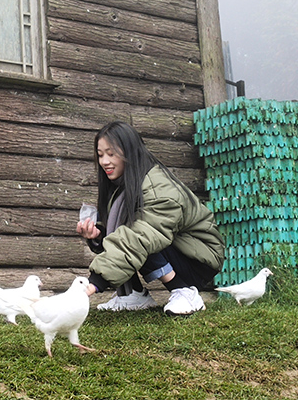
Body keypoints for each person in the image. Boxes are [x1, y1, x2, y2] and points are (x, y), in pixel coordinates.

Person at [77, 120, 224, 317]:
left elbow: (143, 235)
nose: (104, 161)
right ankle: (134, 295)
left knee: (139, 236)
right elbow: (120, 232)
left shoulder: (159, 188)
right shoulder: (124, 187)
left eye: (111, 154)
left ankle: (185, 291)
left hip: (199, 259)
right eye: (100, 154)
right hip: (173, 246)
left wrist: (94, 283)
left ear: (130, 152)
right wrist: (98, 235)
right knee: (129, 234)